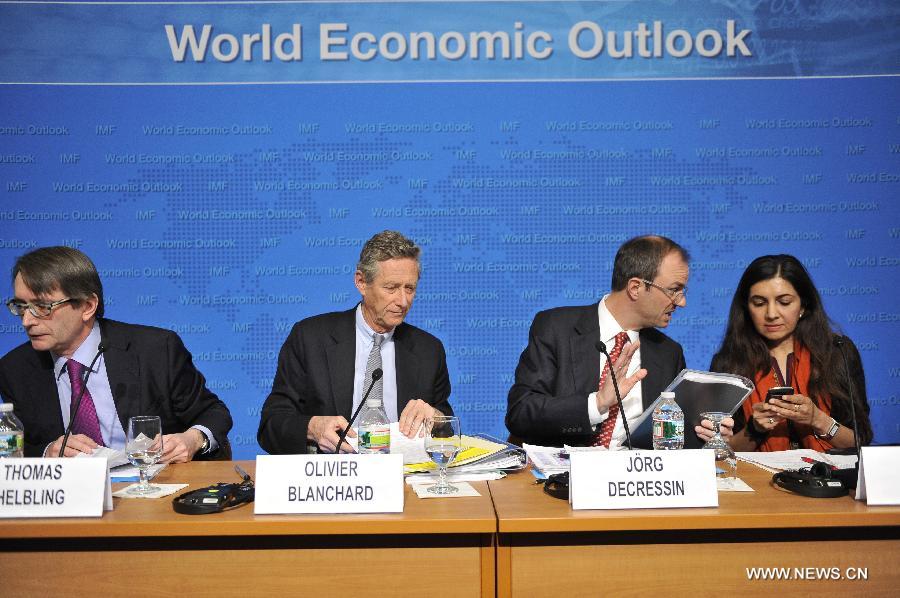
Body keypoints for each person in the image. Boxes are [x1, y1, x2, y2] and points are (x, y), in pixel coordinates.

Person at [0, 246, 232, 460]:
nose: (27, 321)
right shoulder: (15, 369)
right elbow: (15, 448)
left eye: (42, 307)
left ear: (88, 306)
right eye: (21, 307)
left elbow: (213, 413)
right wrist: (46, 452)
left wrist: (192, 440)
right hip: (71, 494)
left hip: (155, 484)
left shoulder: (155, 350)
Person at [258, 230, 452, 454]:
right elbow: (271, 425)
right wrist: (311, 428)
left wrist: (436, 419)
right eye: (391, 288)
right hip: (333, 479)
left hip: (403, 478)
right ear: (361, 282)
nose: (403, 301)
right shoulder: (310, 339)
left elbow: (447, 431)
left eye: (410, 288)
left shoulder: (429, 350)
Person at [507, 235, 701, 448]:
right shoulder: (557, 328)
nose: (681, 302)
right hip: (566, 474)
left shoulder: (668, 353)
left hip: (636, 477)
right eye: (674, 290)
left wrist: (701, 432)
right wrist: (597, 403)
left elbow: (671, 439)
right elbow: (521, 413)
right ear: (635, 287)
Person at [710, 255, 873, 451]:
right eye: (759, 303)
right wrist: (754, 429)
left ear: (803, 305)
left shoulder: (838, 352)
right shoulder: (728, 363)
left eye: (784, 302)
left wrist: (818, 419)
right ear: (746, 307)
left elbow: (861, 441)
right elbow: (720, 449)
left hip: (829, 477)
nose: (771, 314)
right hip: (755, 479)